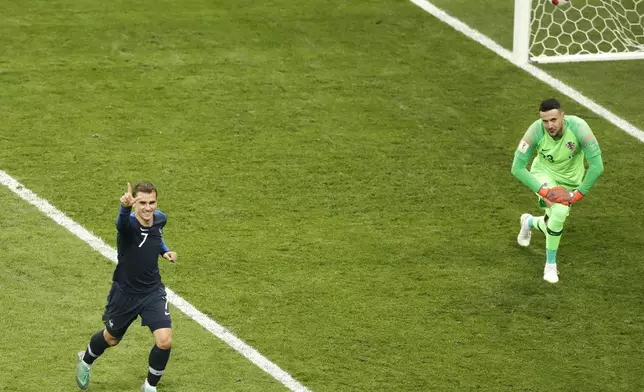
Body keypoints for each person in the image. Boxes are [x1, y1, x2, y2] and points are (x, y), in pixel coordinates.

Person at [76, 182, 178, 391]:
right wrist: (124, 208)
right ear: (135, 202)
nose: (148, 208)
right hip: (125, 294)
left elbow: (156, 237)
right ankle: (85, 360)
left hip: (152, 291)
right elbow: (121, 223)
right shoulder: (128, 225)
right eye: (142, 203)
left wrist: (164, 251)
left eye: (152, 202)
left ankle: (149, 386)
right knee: (111, 338)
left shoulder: (160, 218)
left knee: (165, 341)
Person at [511, 98, 604, 283]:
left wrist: (576, 195)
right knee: (560, 211)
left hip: (570, 182)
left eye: (553, 120)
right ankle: (550, 265)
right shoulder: (536, 130)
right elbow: (517, 167)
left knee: (554, 220)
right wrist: (544, 191)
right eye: (545, 121)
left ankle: (529, 222)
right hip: (543, 175)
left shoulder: (579, 128)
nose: (549, 125)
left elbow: (597, 166)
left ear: (563, 115)